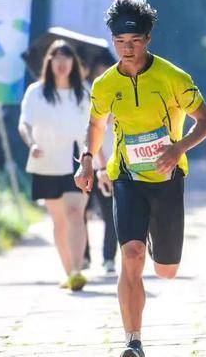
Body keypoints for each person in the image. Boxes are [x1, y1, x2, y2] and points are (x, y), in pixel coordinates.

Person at [74, 0, 206, 357]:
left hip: (167, 179)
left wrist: (178, 148)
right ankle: (132, 341)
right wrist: (87, 159)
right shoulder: (105, 84)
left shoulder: (173, 77)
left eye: (134, 41)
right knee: (132, 255)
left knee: (166, 270)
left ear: (148, 39)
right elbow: (96, 125)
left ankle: (156, 238)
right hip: (127, 178)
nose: (127, 49)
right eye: (120, 42)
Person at [18, 39, 90, 291]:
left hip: (77, 160)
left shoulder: (84, 93)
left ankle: (77, 270)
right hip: (46, 162)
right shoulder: (36, 92)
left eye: (66, 58)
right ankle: (68, 272)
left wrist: (101, 164)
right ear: (49, 62)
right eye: (56, 58)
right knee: (59, 221)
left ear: (74, 63)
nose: (62, 63)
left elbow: (96, 128)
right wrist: (32, 144)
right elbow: (24, 123)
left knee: (75, 212)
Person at [82, 52, 118, 274]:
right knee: (81, 213)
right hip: (90, 164)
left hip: (113, 163)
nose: (102, 74)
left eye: (107, 70)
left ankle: (109, 258)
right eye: (99, 71)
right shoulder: (86, 95)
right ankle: (84, 256)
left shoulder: (119, 94)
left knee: (110, 213)